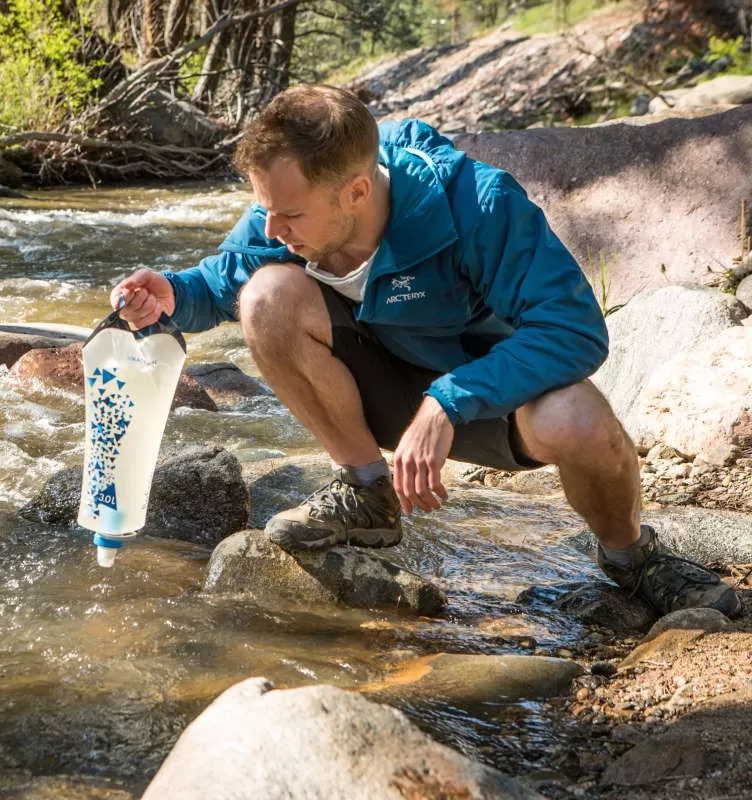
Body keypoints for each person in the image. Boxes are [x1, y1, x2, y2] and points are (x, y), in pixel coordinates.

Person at [112, 84, 741, 619]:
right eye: (265, 211)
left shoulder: (475, 203)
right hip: (383, 399)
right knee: (265, 297)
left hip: (491, 402)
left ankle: (632, 556)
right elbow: (225, 279)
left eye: (290, 215)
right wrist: (172, 294)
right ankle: (366, 492)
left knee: (578, 418)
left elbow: (574, 329)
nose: (272, 229)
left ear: (356, 192)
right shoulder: (283, 214)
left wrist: (450, 401)